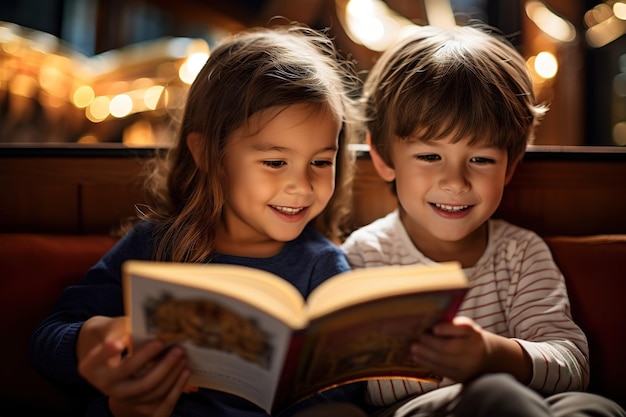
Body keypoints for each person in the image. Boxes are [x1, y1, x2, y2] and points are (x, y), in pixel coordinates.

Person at [29, 23, 368, 417]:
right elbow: (46, 339)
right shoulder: (156, 245)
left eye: (320, 162)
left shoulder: (324, 268)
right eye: (275, 162)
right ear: (208, 154)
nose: (301, 186)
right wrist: (91, 340)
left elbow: (340, 390)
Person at [340, 23, 626, 417]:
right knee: (495, 394)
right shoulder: (364, 256)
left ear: (510, 167)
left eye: (481, 160)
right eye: (429, 156)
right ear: (383, 158)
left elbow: (572, 364)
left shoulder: (520, 252)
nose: (455, 182)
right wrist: (456, 367)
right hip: (419, 410)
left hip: (520, 402)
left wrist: (493, 353)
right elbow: (354, 384)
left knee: (594, 406)